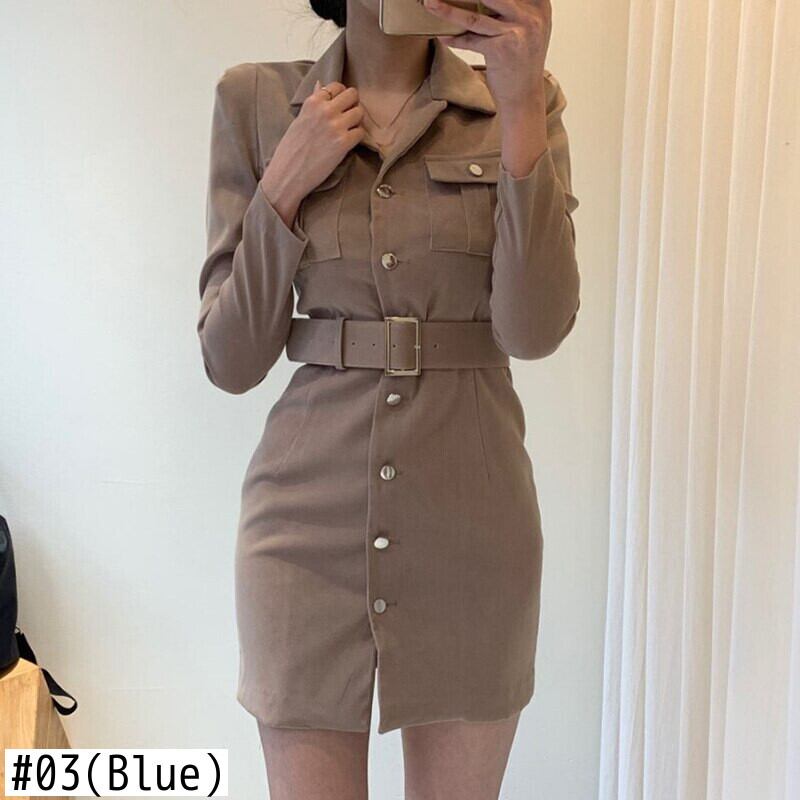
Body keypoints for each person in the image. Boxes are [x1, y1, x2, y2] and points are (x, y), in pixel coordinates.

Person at [197, 0, 580, 797]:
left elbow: (534, 328)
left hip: (473, 524)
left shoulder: (524, 100)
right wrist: (283, 186)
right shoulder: (255, 101)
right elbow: (230, 359)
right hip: (303, 532)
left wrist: (519, 110)